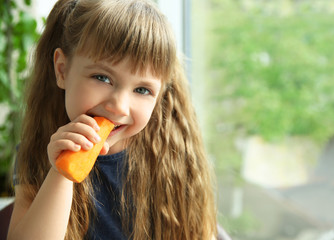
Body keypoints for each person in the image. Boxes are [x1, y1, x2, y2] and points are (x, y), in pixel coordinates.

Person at [6, 0, 217, 239]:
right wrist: (61, 173)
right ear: (62, 70)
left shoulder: (174, 159)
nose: (118, 107)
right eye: (102, 78)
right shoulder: (36, 153)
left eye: (142, 90)